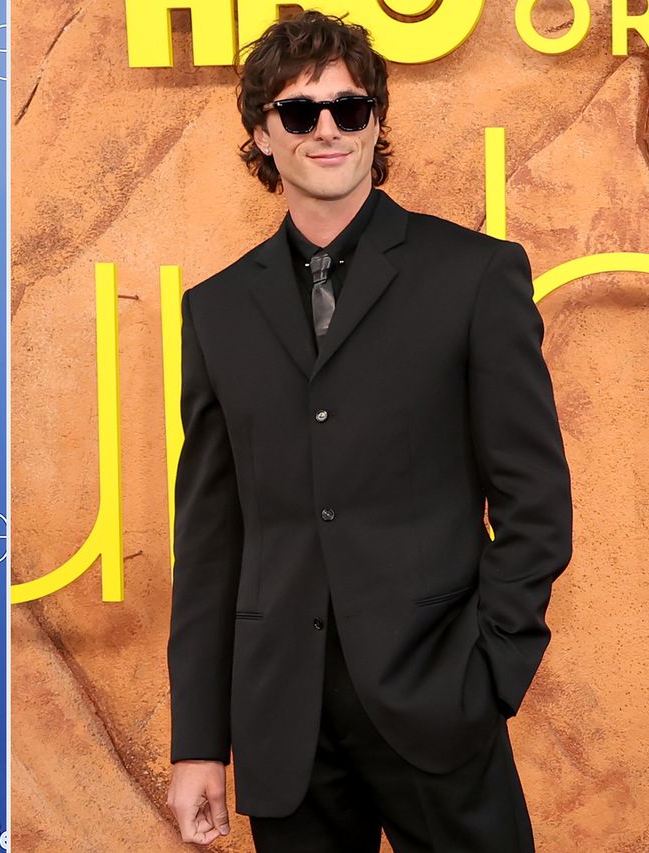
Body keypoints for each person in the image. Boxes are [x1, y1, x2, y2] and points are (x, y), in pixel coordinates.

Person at [165, 11, 572, 852]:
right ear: (260, 133)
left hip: (441, 707)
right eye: (300, 111)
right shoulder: (215, 311)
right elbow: (210, 543)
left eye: (350, 109)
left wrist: (488, 670)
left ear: (376, 122)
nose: (328, 129)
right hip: (286, 727)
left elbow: (535, 501)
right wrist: (199, 741)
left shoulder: (474, 276)